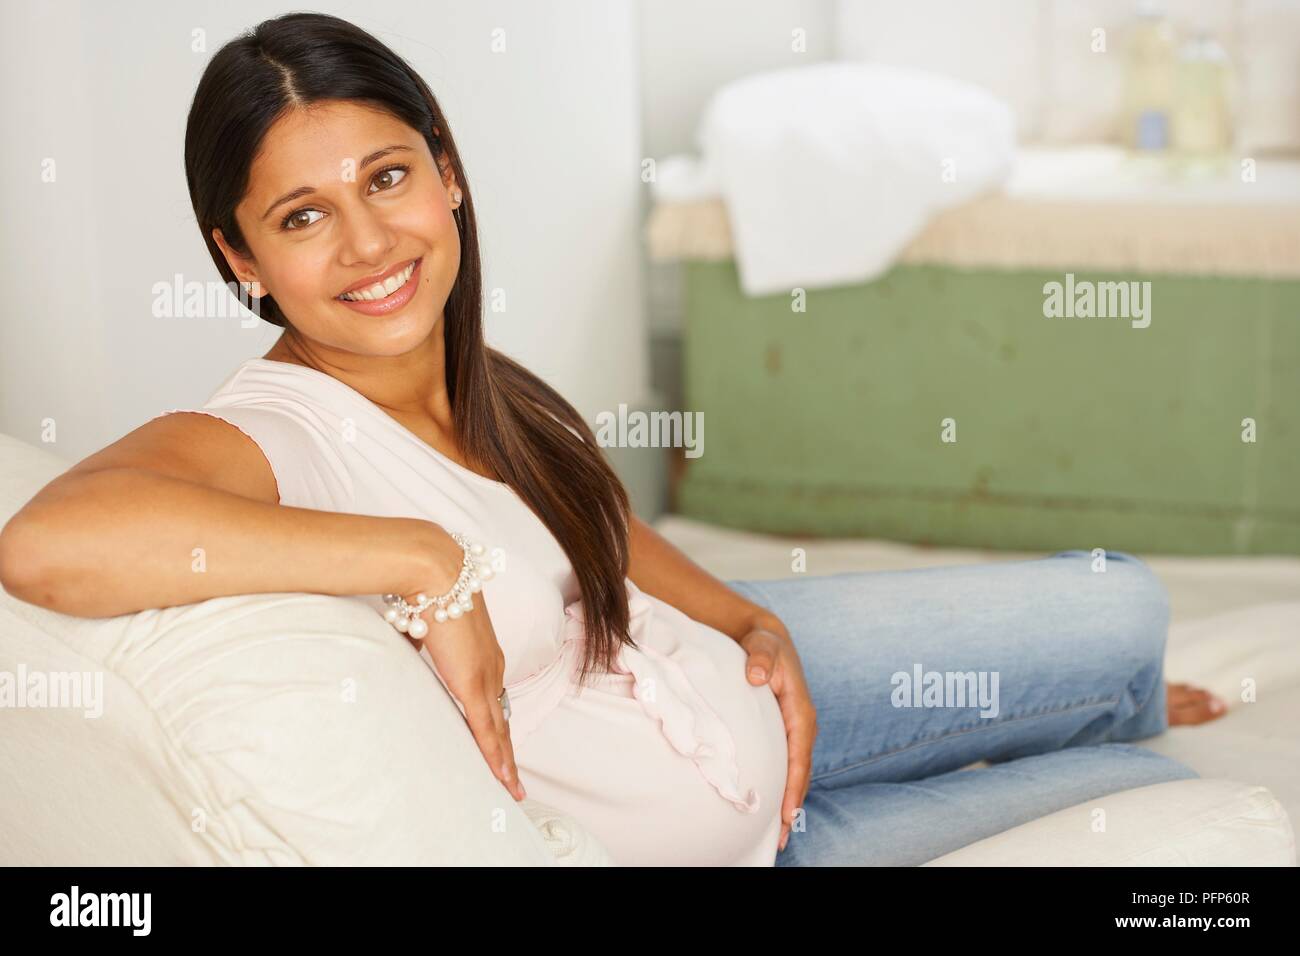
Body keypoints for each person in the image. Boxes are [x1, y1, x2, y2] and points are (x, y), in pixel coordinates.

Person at [0, 12, 1225, 867]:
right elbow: (52, 541)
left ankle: (1091, 692)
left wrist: (753, 619)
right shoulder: (270, 434)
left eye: (388, 178)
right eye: (304, 215)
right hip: (768, 844)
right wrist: (422, 557)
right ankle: (1090, 707)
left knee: (1116, 606)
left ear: (448, 173)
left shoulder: (480, 381)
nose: (368, 245)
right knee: (1175, 806)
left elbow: (598, 530)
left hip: (734, 685)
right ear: (241, 259)